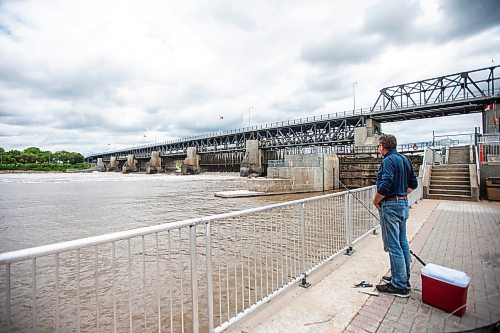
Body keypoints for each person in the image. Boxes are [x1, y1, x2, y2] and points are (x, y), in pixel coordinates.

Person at [373, 134, 418, 298]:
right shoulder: (404, 159)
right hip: (402, 204)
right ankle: (402, 278)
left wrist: (376, 200)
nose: (378, 149)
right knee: (402, 242)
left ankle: (399, 286)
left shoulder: (388, 161)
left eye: (379, 146)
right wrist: (400, 195)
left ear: (383, 147)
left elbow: (385, 184)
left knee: (393, 245)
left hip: (390, 206)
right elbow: (414, 184)